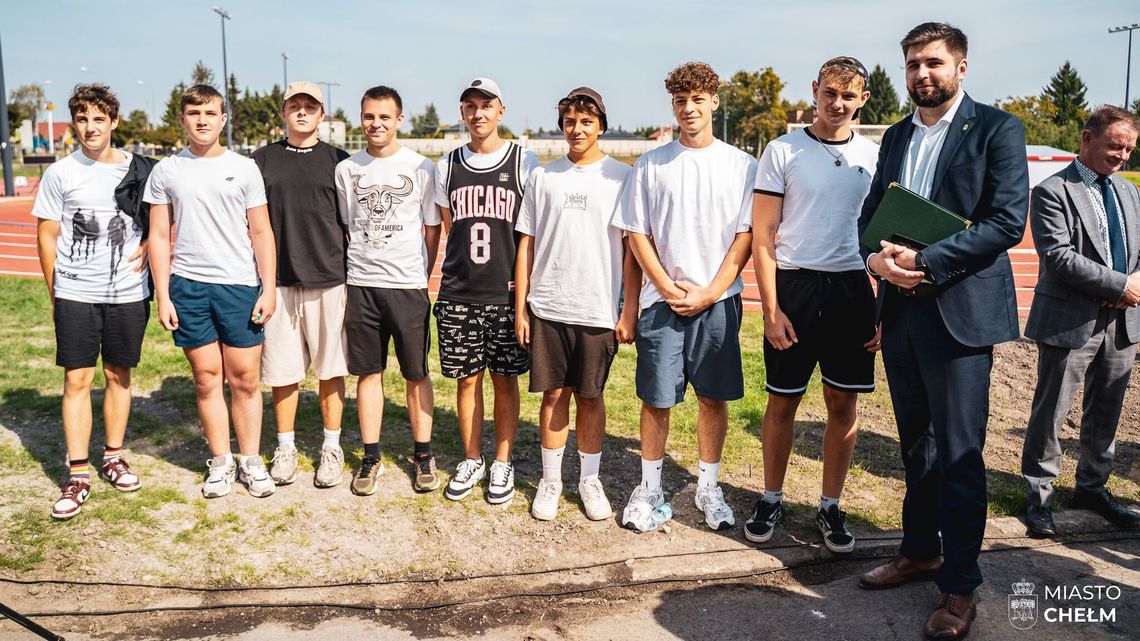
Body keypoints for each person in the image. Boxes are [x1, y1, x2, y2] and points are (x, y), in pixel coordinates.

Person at [855, 23, 1029, 640]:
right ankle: (919, 550)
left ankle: (959, 587)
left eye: (933, 63)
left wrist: (927, 262)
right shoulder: (898, 134)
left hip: (959, 311)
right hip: (901, 311)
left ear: (961, 67)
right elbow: (872, 214)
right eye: (911, 65)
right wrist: (874, 257)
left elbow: (1007, 221)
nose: (921, 74)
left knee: (959, 455)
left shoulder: (998, 129)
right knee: (917, 447)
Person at [612, 62, 757, 533]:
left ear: (714, 101)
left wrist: (712, 290)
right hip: (662, 303)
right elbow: (637, 234)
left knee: (713, 397)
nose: (688, 109)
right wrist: (668, 285)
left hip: (718, 302)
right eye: (680, 101)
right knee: (657, 399)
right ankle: (650, 488)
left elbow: (745, 236)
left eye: (697, 99)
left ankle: (708, 485)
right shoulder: (652, 164)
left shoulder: (741, 165)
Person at [747, 57, 879, 553]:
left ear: (863, 99)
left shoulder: (874, 156)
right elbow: (763, 236)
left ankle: (830, 505)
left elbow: (889, 237)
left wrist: (882, 307)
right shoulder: (782, 151)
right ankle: (771, 496)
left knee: (842, 402)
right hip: (795, 287)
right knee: (783, 399)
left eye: (848, 95)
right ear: (815, 91)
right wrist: (772, 307)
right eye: (829, 93)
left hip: (851, 290)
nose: (837, 103)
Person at [514, 87, 641, 521]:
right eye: (570, 121)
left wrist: (628, 311)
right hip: (548, 306)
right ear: (562, 126)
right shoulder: (543, 176)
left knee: (590, 396)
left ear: (601, 125)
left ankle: (589, 479)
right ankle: (551, 481)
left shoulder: (621, 177)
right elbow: (526, 243)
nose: (577, 129)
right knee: (553, 395)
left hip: (597, 309)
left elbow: (631, 250)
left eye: (586, 121)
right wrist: (521, 308)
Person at [145, 84, 278, 499]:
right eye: (193, 113)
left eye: (210, 113)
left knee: (246, 380)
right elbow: (158, 236)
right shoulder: (166, 170)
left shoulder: (245, 167)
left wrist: (268, 288)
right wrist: (163, 295)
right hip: (189, 287)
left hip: (238, 285)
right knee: (206, 379)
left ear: (223, 119)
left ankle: (251, 461)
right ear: (182, 119)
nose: (201, 119)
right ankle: (220, 461)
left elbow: (261, 231)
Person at [33, 83, 152, 519]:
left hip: (127, 292)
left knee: (119, 375)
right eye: (82, 119)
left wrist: (159, 247)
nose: (90, 127)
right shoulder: (61, 173)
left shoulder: (141, 170)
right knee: (77, 380)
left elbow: (167, 218)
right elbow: (46, 234)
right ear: (74, 124)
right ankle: (78, 472)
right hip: (76, 293)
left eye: (99, 119)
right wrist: (55, 291)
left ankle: (114, 456)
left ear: (114, 122)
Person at [1021, 106, 1140, 537]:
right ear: (1087, 138)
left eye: (1128, 149)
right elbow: (1057, 257)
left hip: (1123, 321)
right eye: (1114, 146)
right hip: (1071, 320)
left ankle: (1092, 487)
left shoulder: (1129, 193)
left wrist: (1133, 285)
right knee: (1052, 411)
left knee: (1106, 410)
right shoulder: (1053, 190)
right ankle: (1039, 497)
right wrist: (1119, 286)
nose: (1122, 156)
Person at [435, 78, 538, 505]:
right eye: (470, 106)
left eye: (486, 105)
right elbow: (448, 228)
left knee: (505, 380)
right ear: (462, 113)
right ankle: (472, 458)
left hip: (505, 293)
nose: (478, 113)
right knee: (466, 381)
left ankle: (503, 460)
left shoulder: (524, 161)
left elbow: (528, 235)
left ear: (501, 110)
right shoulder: (447, 165)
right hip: (460, 291)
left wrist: (522, 302)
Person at [336, 85, 442, 496]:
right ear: (360, 119)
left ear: (400, 120)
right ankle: (370, 456)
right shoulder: (348, 169)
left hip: (407, 287)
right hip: (362, 286)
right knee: (368, 373)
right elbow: (349, 225)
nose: (376, 124)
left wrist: (421, 274)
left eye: (384, 116)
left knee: (416, 373)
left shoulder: (421, 168)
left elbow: (431, 229)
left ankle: (423, 454)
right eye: (368, 116)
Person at [251, 81, 350, 489]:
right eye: (295, 105)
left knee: (331, 368)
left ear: (321, 114)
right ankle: (286, 446)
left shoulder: (339, 162)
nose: (303, 112)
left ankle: (331, 446)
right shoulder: (261, 160)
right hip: (280, 280)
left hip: (329, 278)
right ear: (284, 112)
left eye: (311, 106)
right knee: (282, 371)